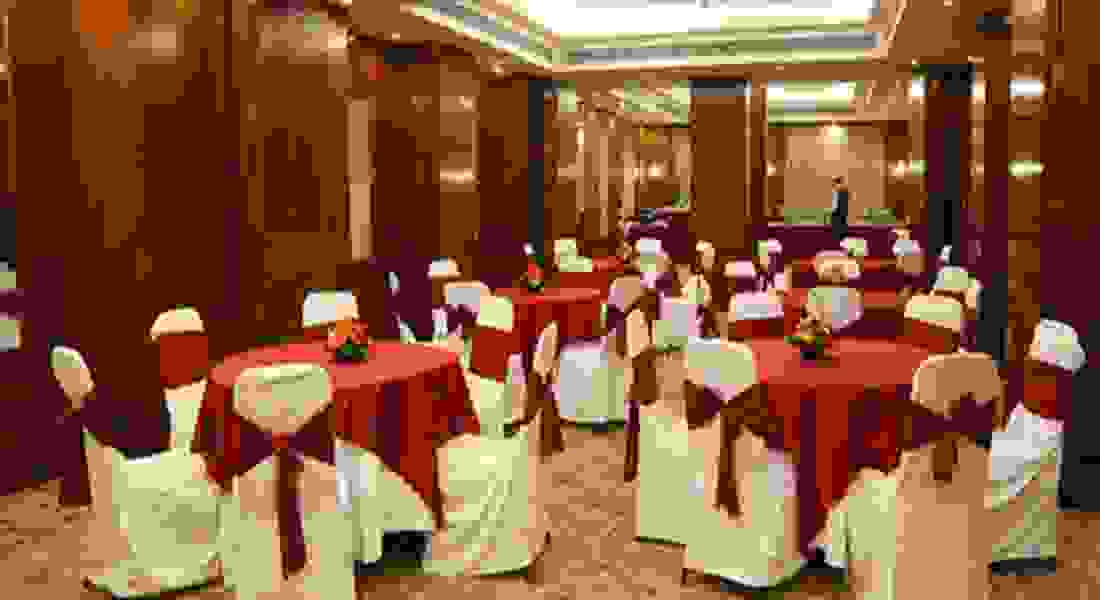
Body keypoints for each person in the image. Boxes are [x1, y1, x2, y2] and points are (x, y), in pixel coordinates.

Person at [830, 176, 850, 241]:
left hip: (839, 210)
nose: (833, 184)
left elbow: (836, 201)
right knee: (842, 224)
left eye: (834, 183)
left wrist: (834, 210)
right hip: (841, 210)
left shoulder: (838, 190)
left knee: (839, 224)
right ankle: (841, 236)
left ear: (837, 183)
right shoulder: (842, 190)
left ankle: (839, 237)